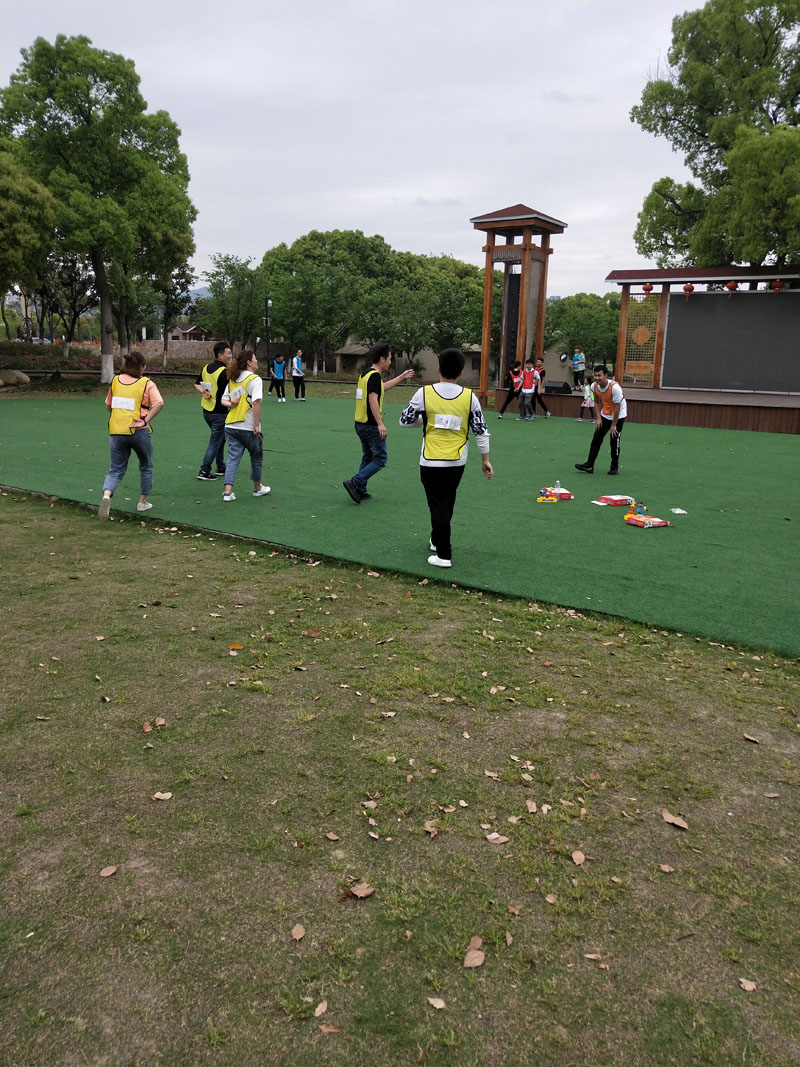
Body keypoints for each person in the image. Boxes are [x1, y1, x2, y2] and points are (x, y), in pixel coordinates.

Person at [399, 347, 493, 568]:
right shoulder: (470, 397)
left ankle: (443, 554)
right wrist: (485, 459)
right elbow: (481, 430)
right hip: (457, 461)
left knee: (438, 506)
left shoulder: (423, 393)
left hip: (430, 460)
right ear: (461, 372)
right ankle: (436, 539)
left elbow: (405, 421)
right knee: (447, 501)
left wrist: (424, 420)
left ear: (438, 369)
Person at [343, 343, 414, 503]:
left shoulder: (365, 374)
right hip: (370, 425)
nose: (390, 362)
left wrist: (401, 377)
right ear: (382, 359)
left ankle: (359, 489)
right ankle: (355, 482)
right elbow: (373, 399)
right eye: (389, 358)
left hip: (360, 423)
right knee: (380, 458)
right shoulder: (375, 376)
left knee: (368, 456)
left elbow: (381, 388)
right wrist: (380, 423)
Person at [98, 350, 164, 520]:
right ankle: (142, 502)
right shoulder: (146, 383)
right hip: (139, 431)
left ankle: (106, 495)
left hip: (117, 431)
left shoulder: (115, 381)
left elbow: (108, 405)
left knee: (115, 469)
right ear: (142, 367)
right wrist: (145, 420)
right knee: (146, 465)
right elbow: (159, 403)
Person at [220, 349, 271, 501]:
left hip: (230, 425)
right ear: (249, 362)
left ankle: (228, 492)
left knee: (232, 459)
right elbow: (256, 403)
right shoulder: (255, 379)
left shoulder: (234, 378)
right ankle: (257, 488)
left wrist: (232, 404)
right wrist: (256, 425)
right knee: (256, 457)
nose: (257, 361)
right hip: (247, 426)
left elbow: (223, 400)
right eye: (255, 359)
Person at [575, 365, 627, 475]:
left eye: (599, 375)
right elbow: (596, 402)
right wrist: (599, 418)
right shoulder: (594, 386)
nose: (597, 378)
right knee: (596, 438)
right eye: (595, 375)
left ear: (606, 375)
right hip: (605, 413)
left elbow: (617, 408)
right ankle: (589, 465)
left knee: (614, 440)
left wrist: (614, 425)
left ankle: (614, 467)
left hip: (618, 415)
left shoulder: (614, 388)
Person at [194, 339, 232, 480]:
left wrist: (203, 391)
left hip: (207, 412)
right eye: (228, 353)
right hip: (219, 413)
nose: (230, 356)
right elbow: (232, 390)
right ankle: (204, 470)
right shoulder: (224, 372)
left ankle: (221, 466)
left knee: (220, 439)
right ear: (220, 355)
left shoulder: (206, 368)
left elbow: (197, 384)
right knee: (215, 442)